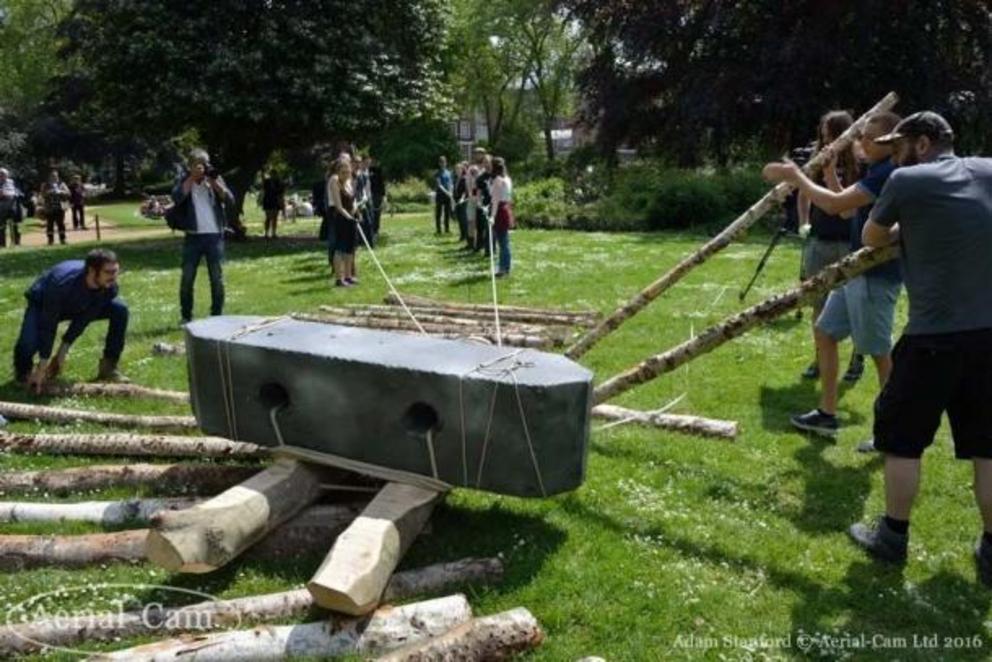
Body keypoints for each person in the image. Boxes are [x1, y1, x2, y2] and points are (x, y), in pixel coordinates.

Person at [841, 112, 992, 579]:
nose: (893, 151)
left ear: (923, 143)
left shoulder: (908, 179)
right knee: (988, 446)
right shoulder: (988, 169)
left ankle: (892, 536)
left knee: (903, 440)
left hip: (932, 335)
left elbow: (871, 237)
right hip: (989, 336)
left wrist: (912, 228)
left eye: (899, 143)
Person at [763, 111, 903, 445]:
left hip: (875, 275)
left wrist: (797, 177)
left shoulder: (889, 172)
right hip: (855, 269)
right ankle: (827, 414)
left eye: (871, 138)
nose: (862, 142)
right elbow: (846, 210)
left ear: (891, 143)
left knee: (880, 354)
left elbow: (836, 203)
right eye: (863, 136)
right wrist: (826, 174)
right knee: (825, 333)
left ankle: (895, 430)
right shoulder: (876, 169)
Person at [797, 111, 864, 383]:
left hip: (849, 240)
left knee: (856, 302)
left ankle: (857, 358)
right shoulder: (819, 156)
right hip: (821, 238)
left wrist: (831, 175)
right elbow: (803, 191)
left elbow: (848, 208)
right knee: (818, 302)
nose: (825, 138)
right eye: (823, 132)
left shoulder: (860, 161)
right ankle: (819, 358)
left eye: (830, 132)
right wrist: (804, 223)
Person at [13, 249, 129, 390]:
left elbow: (86, 317)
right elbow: (48, 324)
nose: (114, 277)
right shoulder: (61, 284)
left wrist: (63, 349)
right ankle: (24, 374)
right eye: (108, 272)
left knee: (120, 309)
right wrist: (43, 366)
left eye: (115, 271)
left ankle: (109, 367)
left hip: (78, 304)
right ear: (92, 271)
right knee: (28, 342)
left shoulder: (109, 288)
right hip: (43, 304)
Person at [170, 148, 234, 324]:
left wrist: (214, 183)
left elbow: (229, 199)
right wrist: (192, 178)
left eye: (203, 165)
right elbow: (176, 197)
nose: (201, 169)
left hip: (214, 236)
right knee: (187, 277)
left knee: (217, 278)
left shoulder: (214, 178)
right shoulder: (185, 180)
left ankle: (217, 315)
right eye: (196, 165)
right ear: (190, 166)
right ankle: (186, 315)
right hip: (193, 237)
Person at [328, 156, 359, 287]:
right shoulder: (334, 181)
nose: (346, 174)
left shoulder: (349, 182)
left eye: (348, 171)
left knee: (350, 248)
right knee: (340, 248)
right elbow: (339, 206)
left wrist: (356, 211)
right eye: (343, 172)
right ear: (338, 172)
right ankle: (339, 279)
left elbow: (353, 201)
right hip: (340, 218)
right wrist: (348, 217)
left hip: (351, 218)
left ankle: (348, 276)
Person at [490, 157, 514, 277]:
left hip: (500, 210)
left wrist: (492, 216)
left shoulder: (497, 180)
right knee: (505, 241)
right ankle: (506, 266)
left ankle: (503, 268)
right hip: (507, 208)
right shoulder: (508, 179)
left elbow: (495, 200)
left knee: (502, 241)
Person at [40, 170, 70, 246]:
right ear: (49, 177)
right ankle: (50, 240)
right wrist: (50, 192)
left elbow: (68, 193)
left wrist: (60, 192)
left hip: (60, 207)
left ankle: (62, 239)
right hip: (49, 208)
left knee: (61, 224)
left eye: (56, 176)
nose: (55, 178)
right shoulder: (45, 185)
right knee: (50, 225)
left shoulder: (62, 184)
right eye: (53, 176)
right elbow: (42, 194)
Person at [474, 154, 493, 256]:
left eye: (488, 162)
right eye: (484, 162)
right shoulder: (481, 178)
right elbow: (478, 192)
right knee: (485, 227)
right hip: (485, 205)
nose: (486, 164)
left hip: (495, 204)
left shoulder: (496, 175)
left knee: (493, 229)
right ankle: (487, 249)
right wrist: (478, 202)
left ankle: (492, 248)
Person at [0, 168, 23, 248]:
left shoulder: (12, 182)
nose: (2, 176)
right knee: (2, 226)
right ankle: (2, 244)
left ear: (7, 175)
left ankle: (16, 243)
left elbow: (18, 191)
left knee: (15, 225)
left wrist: (16, 194)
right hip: (2, 207)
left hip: (13, 205)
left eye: (3, 174)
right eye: (1, 174)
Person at [261, 170, 285, 239]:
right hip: (268, 201)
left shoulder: (279, 182)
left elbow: (281, 192)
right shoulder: (267, 182)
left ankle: (273, 233)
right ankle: (266, 233)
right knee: (268, 217)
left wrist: (281, 202)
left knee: (275, 218)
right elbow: (264, 189)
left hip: (275, 201)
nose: (273, 176)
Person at [434, 156, 453, 234]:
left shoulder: (449, 173)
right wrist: (447, 192)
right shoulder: (437, 173)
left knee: (447, 213)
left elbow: (450, 183)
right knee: (438, 213)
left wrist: (451, 191)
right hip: (440, 195)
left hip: (447, 195)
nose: (443, 164)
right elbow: (439, 185)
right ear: (439, 163)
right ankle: (438, 230)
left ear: (446, 163)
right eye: (441, 162)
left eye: (444, 162)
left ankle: (447, 229)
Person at [369, 156, 386, 242]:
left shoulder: (379, 170)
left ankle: (376, 231)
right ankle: (371, 231)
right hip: (370, 194)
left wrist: (383, 196)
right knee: (371, 214)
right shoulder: (367, 170)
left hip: (377, 195)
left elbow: (382, 184)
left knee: (377, 213)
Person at [453, 162, 469, 242]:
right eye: (456, 169)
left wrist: (462, 199)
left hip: (463, 201)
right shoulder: (456, 179)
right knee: (459, 219)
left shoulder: (464, 178)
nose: (457, 170)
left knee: (463, 219)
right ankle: (462, 235)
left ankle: (465, 235)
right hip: (457, 201)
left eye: (458, 169)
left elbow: (465, 191)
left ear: (462, 170)